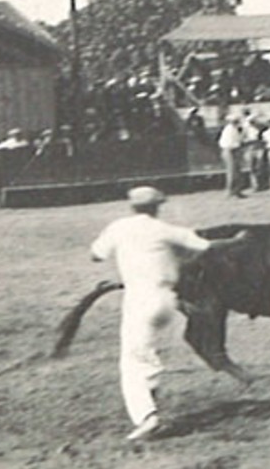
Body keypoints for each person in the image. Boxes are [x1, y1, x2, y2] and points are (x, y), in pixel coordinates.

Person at [89, 186, 246, 441]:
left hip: (139, 298)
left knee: (133, 359)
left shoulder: (119, 227)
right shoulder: (167, 230)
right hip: (167, 300)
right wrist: (237, 241)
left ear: (132, 206)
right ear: (157, 206)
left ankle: (146, 417)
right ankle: (149, 394)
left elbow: (95, 255)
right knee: (143, 353)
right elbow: (209, 247)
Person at [217, 112, 247, 197]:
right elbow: (230, 143)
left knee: (237, 171)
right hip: (229, 150)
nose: (236, 122)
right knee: (232, 171)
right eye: (235, 120)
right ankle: (230, 191)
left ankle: (237, 190)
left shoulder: (236, 129)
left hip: (234, 150)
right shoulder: (229, 129)